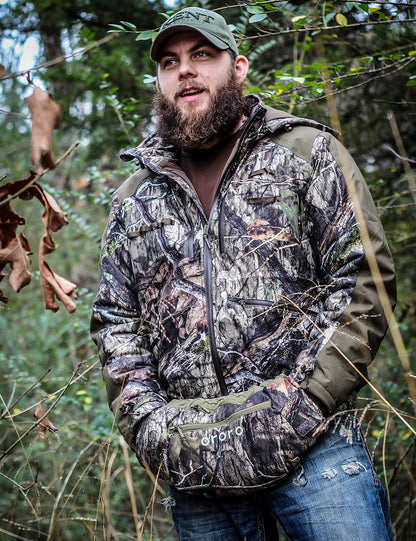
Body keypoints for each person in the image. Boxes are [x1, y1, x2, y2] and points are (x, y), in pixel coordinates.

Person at [91, 7, 397, 540]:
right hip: (195, 461)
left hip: (315, 448)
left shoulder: (305, 152)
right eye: (169, 62)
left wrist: (305, 402)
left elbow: (363, 279)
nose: (185, 70)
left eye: (201, 54)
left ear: (238, 68)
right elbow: (116, 320)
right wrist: (151, 427)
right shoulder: (135, 198)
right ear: (159, 82)